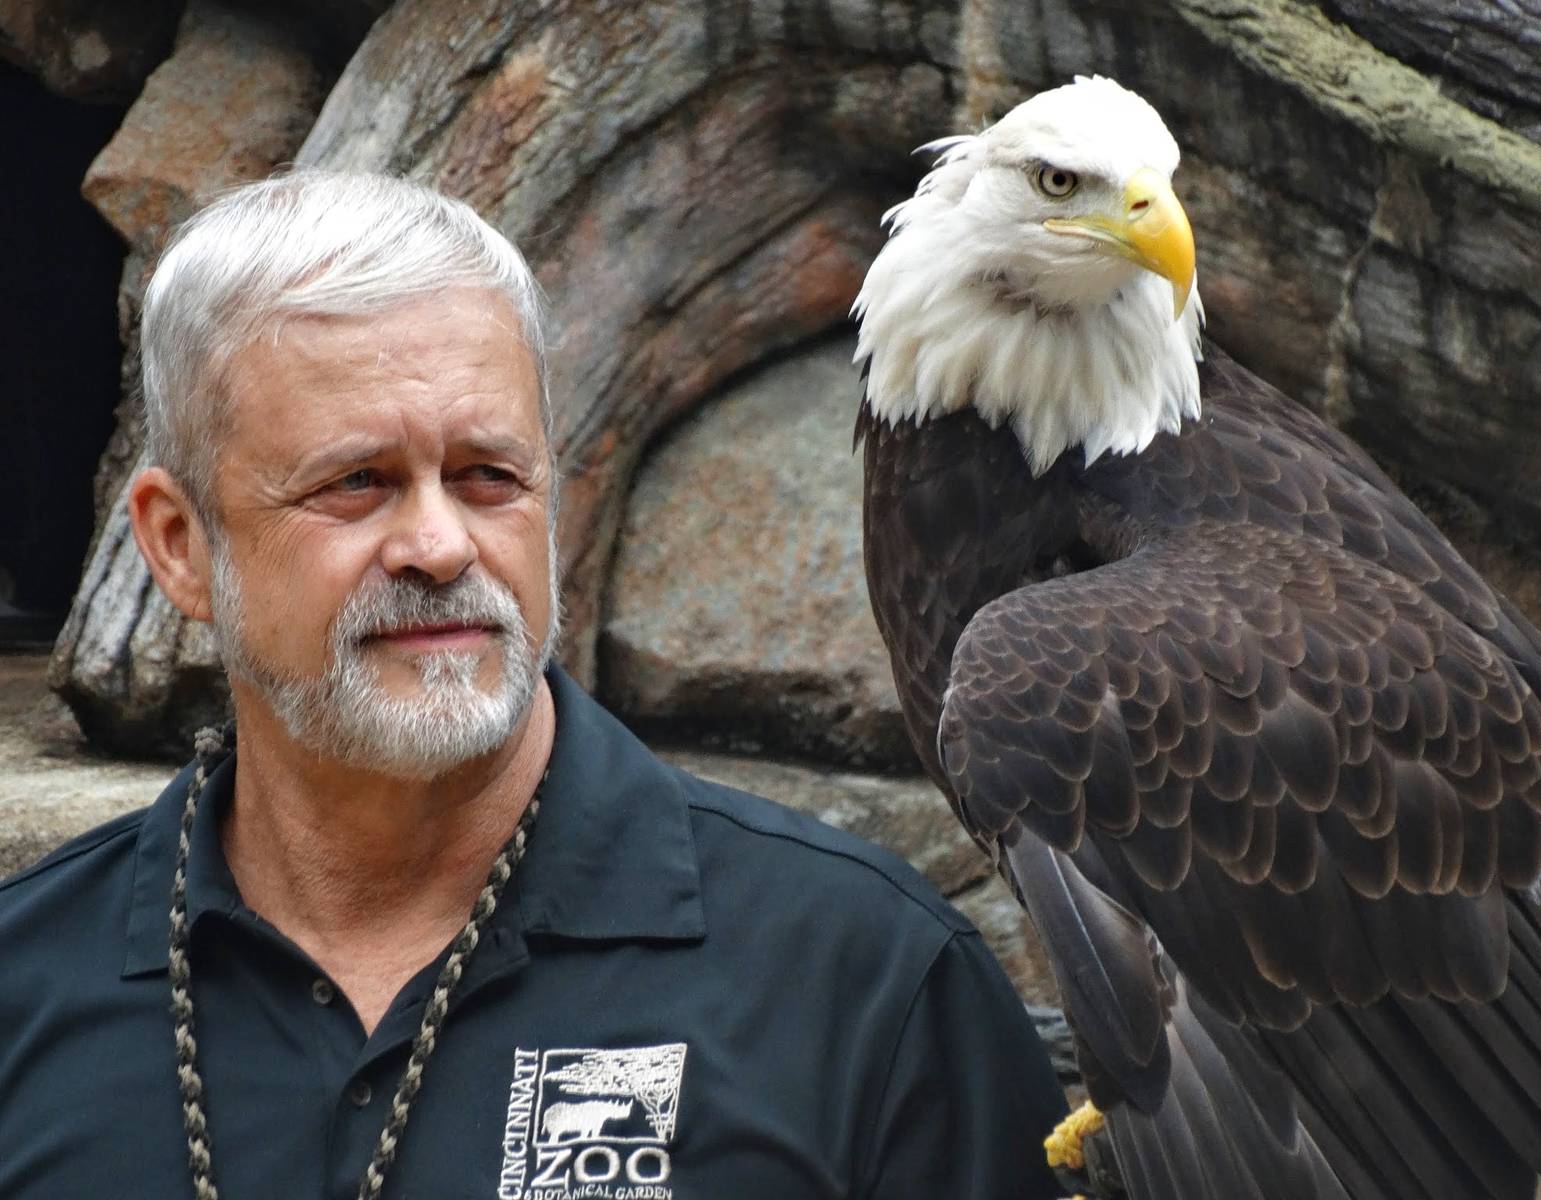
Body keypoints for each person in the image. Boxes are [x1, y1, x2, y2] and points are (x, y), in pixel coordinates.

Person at [0, 171, 1068, 1200]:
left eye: (489, 478)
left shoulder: (862, 979)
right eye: (356, 482)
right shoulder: (27, 983)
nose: (437, 545)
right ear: (180, 546)